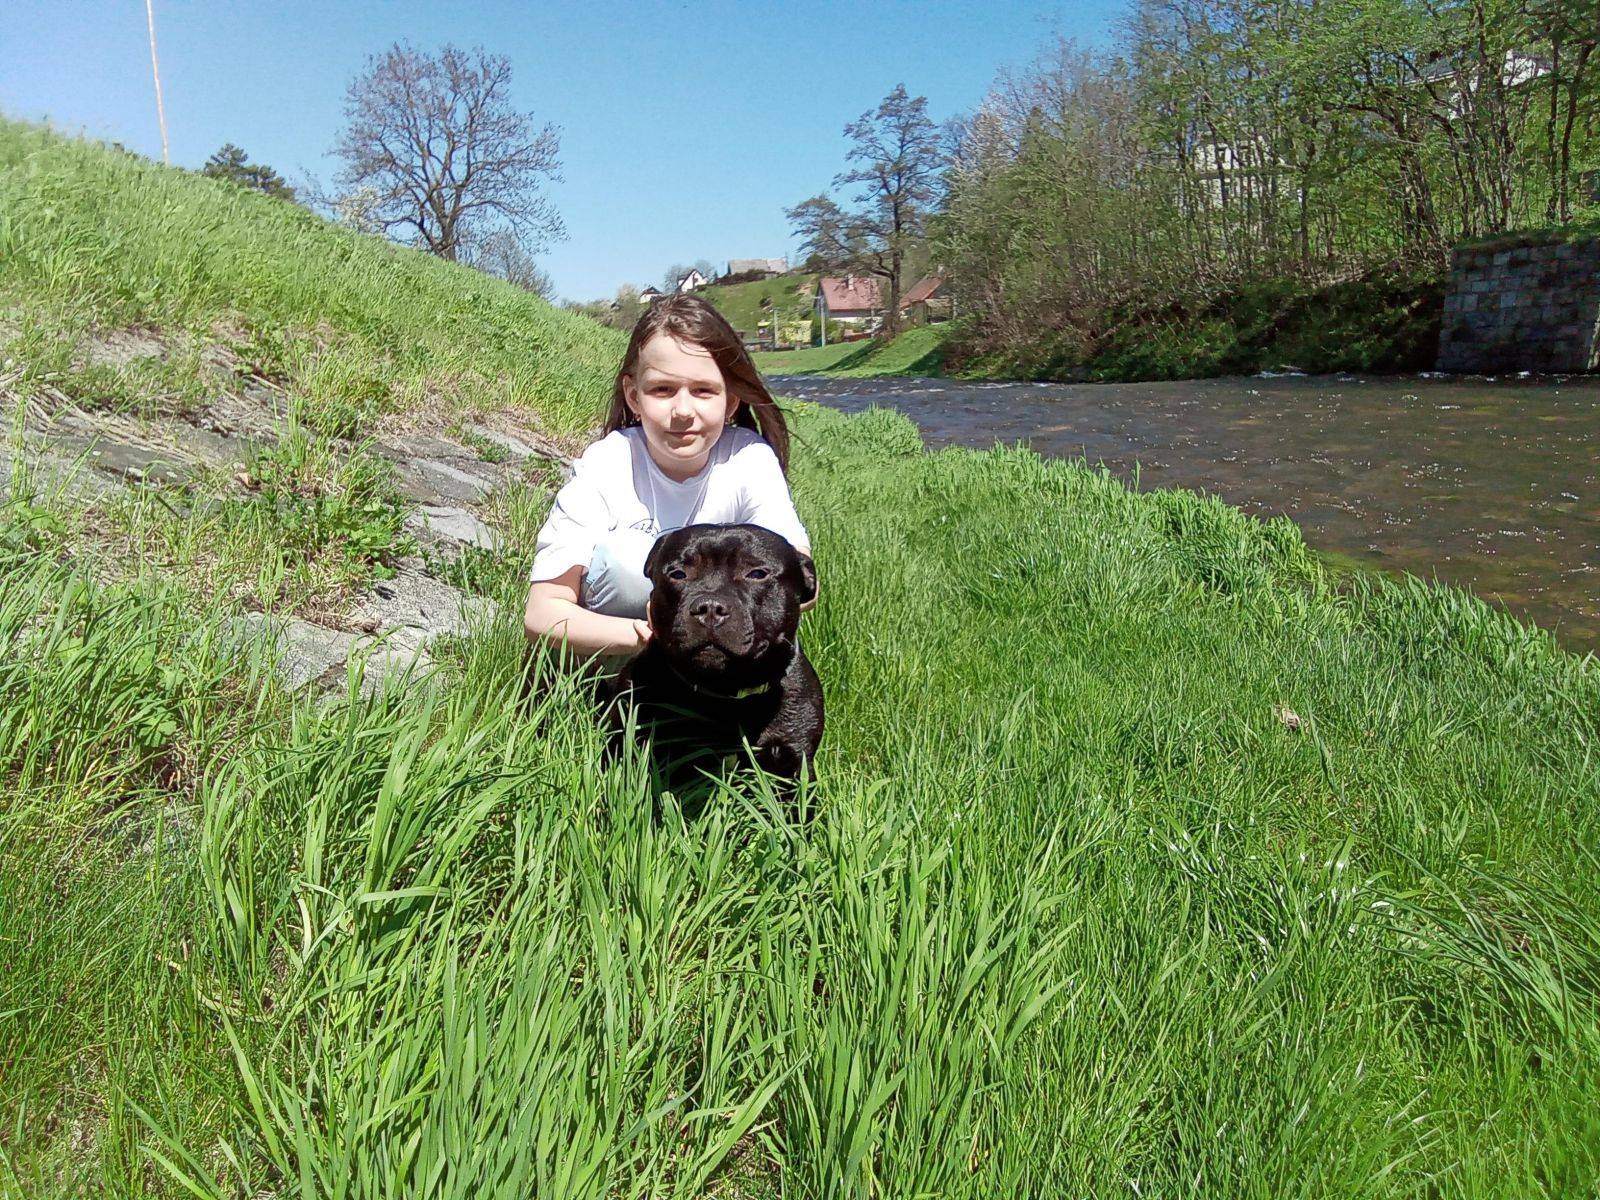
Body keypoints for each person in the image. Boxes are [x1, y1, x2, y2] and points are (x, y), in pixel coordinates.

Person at [523, 295, 814, 665]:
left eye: (703, 391)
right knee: (626, 564)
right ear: (634, 396)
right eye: (662, 390)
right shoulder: (607, 463)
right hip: (616, 655)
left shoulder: (749, 459)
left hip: (720, 653)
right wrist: (657, 634)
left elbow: (800, 576)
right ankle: (610, 693)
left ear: (730, 401)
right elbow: (542, 613)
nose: (683, 411)